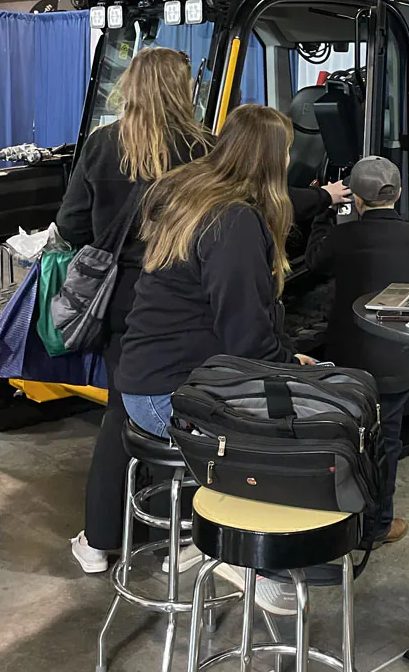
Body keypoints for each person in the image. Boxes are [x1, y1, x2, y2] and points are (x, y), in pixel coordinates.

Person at [113, 104, 310, 614]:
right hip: (169, 396)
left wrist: (288, 358)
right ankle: (246, 557)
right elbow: (245, 337)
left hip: (145, 383)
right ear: (273, 159)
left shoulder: (193, 197)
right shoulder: (234, 221)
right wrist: (293, 371)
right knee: (299, 431)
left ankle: (212, 533)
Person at [58, 47, 209, 576]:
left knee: (121, 415)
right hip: (184, 298)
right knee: (193, 413)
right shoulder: (202, 147)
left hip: (118, 300)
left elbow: (72, 224)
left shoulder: (101, 144)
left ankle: (100, 540)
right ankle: (190, 535)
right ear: (180, 88)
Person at [305, 155, 409, 548]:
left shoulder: (344, 237)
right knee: (386, 443)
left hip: (350, 364)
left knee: (345, 441)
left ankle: (338, 519)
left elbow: (312, 264)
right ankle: (377, 526)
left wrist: (320, 212)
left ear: (357, 199)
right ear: (397, 193)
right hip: (397, 361)